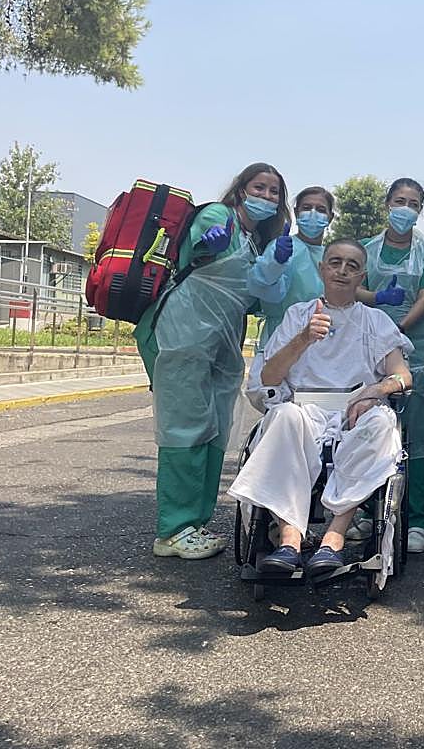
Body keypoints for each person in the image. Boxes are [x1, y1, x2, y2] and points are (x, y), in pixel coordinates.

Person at [227, 238, 413, 577]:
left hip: (355, 410)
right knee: (283, 416)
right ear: (322, 269)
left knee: (381, 423)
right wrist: (304, 338)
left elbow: (402, 375)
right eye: (335, 262)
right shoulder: (298, 315)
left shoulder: (375, 321)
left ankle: (333, 538)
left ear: (362, 277)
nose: (342, 271)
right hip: (303, 409)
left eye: (352, 266)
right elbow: (269, 377)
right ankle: (289, 540)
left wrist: (375, 390)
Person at [135, 162, 289, 560]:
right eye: (259, 188)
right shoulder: (219, 217)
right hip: (183, 336)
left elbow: (254, 297)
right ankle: (173, 530)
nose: (266, 197)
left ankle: (195, 522)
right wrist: (208, 242)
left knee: (215, 429)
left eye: (274, 192)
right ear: (240, 189)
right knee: (183, 430)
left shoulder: (255, 242)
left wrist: (274, 266)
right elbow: (198, 247)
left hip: (220, 343)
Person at [358, 178, 424, 555]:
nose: (405, 208)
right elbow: (353, 290)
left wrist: (397, 331)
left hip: (417, 350)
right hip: (369, 347)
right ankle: (365, 509)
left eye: (413, 203)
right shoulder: (366, 249)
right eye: (399, 201)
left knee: (417, 436)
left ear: (420, 210)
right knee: (367, 428)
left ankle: (416, 519)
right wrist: (378, 298)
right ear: (387, 204)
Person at [245, 185, 334, 409]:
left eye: (320, 209)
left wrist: (376, 297)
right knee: (277, 406)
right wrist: (275, 263)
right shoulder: (283, 248)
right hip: (280, 338)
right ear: (296, 212)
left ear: (330, 217)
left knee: (314, 412)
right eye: (306, 208)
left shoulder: (332, 257)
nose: (313, 214)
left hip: (319, 342)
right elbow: (263, 289)